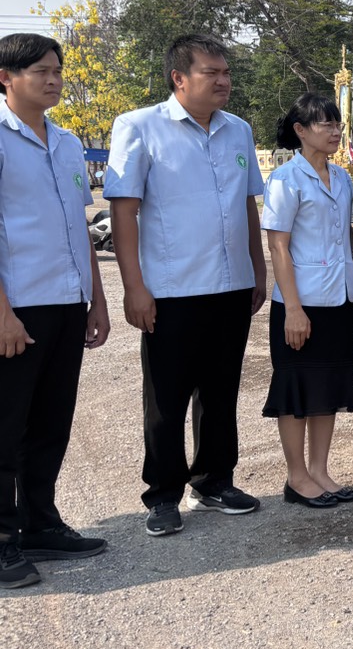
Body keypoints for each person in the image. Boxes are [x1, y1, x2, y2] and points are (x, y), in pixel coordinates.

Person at [105, 34, 267, 537]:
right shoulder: (140, 127)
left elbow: (247, 205)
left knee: (221, 392)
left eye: (226, 73)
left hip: (230, 285)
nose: (223, 82)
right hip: (171, 290)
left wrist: (257, 270)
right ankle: (163, 493)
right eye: (211, 73)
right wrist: (135, 288)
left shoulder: (237, 130)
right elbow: (123, 210)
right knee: (167, 398)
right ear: (179, 78)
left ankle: (214, 480)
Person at [0, 33, 110, 588]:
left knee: (50, 423)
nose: (52, 79)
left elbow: (80, 229)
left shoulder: (67, 144)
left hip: (67, 304)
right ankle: (1, 540)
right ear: (5, 78)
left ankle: (39, 521)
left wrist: (97, 298)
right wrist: (2, 314)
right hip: (17, 305)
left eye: (57, 71)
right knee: (4, 426)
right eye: (40, 71)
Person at [260, 94, 353, 510]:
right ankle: (296, 476)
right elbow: (279, 247)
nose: (335, 131)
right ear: (301, 131)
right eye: (324, 124)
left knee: (329, 387)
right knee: (298, 389)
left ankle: (320, 470)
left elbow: (347, 236)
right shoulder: (285, 179)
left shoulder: (341, 177)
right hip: (300, 301)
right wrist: (294, 308)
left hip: (339, 296)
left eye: (337, 123)